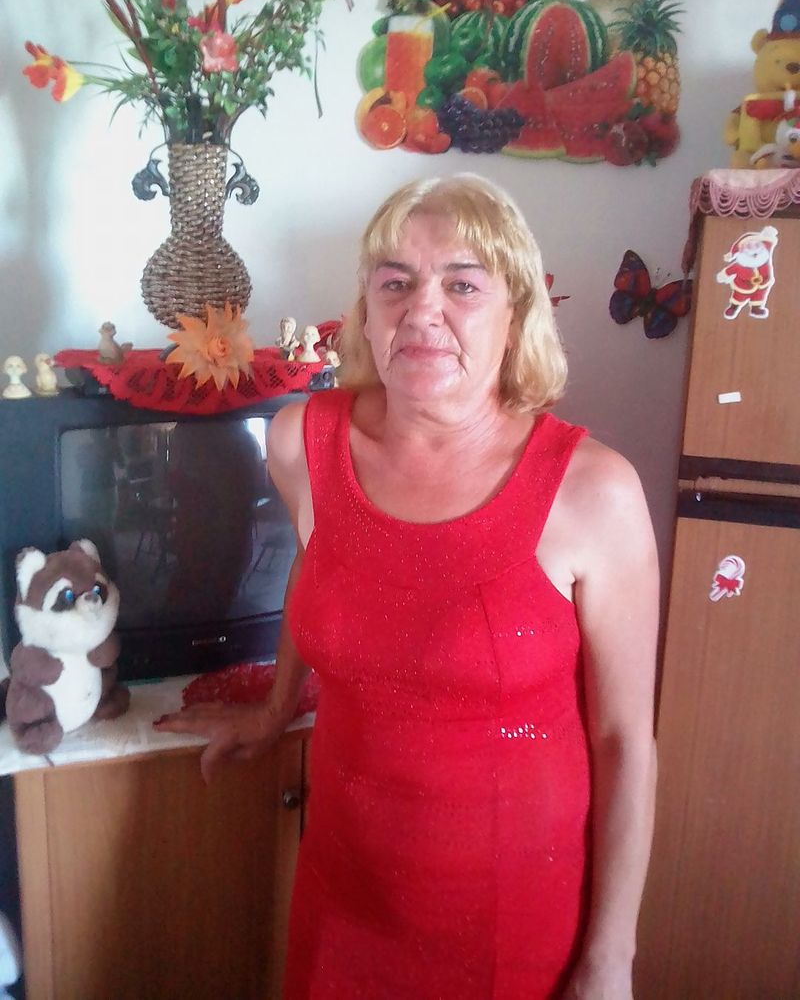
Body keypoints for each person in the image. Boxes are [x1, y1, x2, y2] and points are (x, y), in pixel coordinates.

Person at [155, 174, 659, 999]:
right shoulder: (300, 443)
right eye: (395, 282)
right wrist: (277, 707)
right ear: (367, 310)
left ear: (516, 315)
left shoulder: (594, 492)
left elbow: (624, 739)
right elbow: (321, 568)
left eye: (462, 284)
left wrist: (611, 961)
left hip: (512, 925)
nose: (423, 309)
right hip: (342, 900)